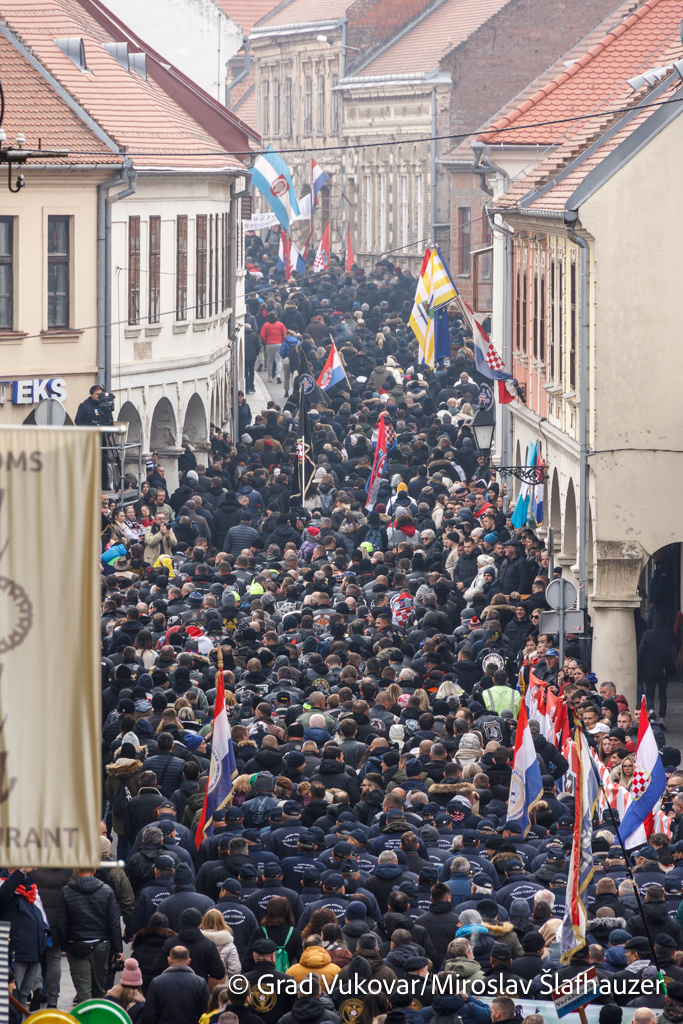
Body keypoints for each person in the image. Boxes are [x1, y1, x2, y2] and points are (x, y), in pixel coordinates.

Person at [56, 867, 124, 1003]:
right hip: (101, 944)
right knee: (99, 989)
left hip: (76, 945)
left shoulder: (66, 892)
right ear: (94, 869)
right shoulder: (106, 890)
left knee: (83, 991)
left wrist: (64, 947)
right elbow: (114, 923)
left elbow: (62, 923)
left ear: (77, 869)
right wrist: (118, 949)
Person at [144, 945, 210, 1024]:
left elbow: (149, 1016)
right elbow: (206, 1014)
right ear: (189, 961)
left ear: (169, 960)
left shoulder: (157, 982)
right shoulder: (200, 983)